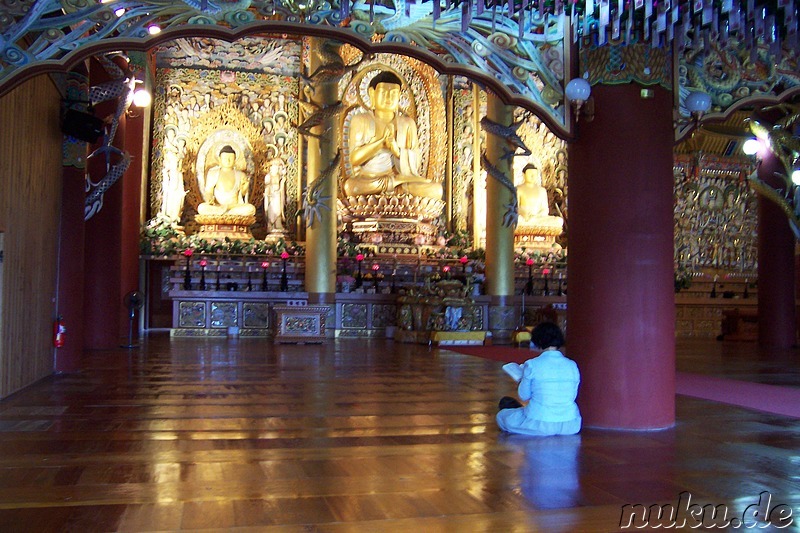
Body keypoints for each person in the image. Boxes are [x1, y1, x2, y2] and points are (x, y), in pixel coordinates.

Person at [346, 71, 442, 200]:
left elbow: (416, 162)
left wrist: (397, 151)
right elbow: (354, 159)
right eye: (383, 93)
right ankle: (395, 186)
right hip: (371, 179)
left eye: (393, 94)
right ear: (372, 93)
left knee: (436, 190)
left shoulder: (407, 123)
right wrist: (380, 143)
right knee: (351, 187)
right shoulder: (361, 120)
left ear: (399, 96)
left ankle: (395, 185)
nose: (388, 98)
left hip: (403, 179)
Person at [496, 322, 581, 436]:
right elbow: (573, 395)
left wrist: (521, 381)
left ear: (537, 341)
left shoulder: (532, 365)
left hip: (540, 423)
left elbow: (524, 396)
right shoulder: (572, 365)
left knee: (502, 416)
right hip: (571, 424)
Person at [197, 145, 256, 216]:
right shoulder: (213, 173)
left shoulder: (241, 175)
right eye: (225, 158)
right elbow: (209, 191)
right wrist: (210, 199)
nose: (228, 160)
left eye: (231, 158)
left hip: (234, 208)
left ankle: (224, 214)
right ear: (220, 159)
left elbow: (242, 195)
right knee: (202, 208)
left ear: (235, 160)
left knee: (250, 209)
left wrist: (244, 188)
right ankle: (226, 214)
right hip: (218, 207)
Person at [517, 163, 562, 228]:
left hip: (538, 219)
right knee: (517, 220)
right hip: (524, 219)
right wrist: (524, 214)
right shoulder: (518, 189)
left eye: (535, 174)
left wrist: (536, 216)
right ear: (523, 174)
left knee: (559, 220)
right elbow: (515, 207)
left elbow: (545, 210)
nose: (533, 176)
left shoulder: (542, 190)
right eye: (530, 173)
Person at [264, 157, 286, 231]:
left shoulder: (279, 177)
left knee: (278, 208)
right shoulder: (268, 176)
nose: (276, 168)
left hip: (277, 195)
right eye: (274, 166)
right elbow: (267, 187)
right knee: (272, 210)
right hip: (271, 196)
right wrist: (268, 193)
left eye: (278, 167)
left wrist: (282, 183)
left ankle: (278, 224)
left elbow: (280, 189)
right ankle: (271, 225)